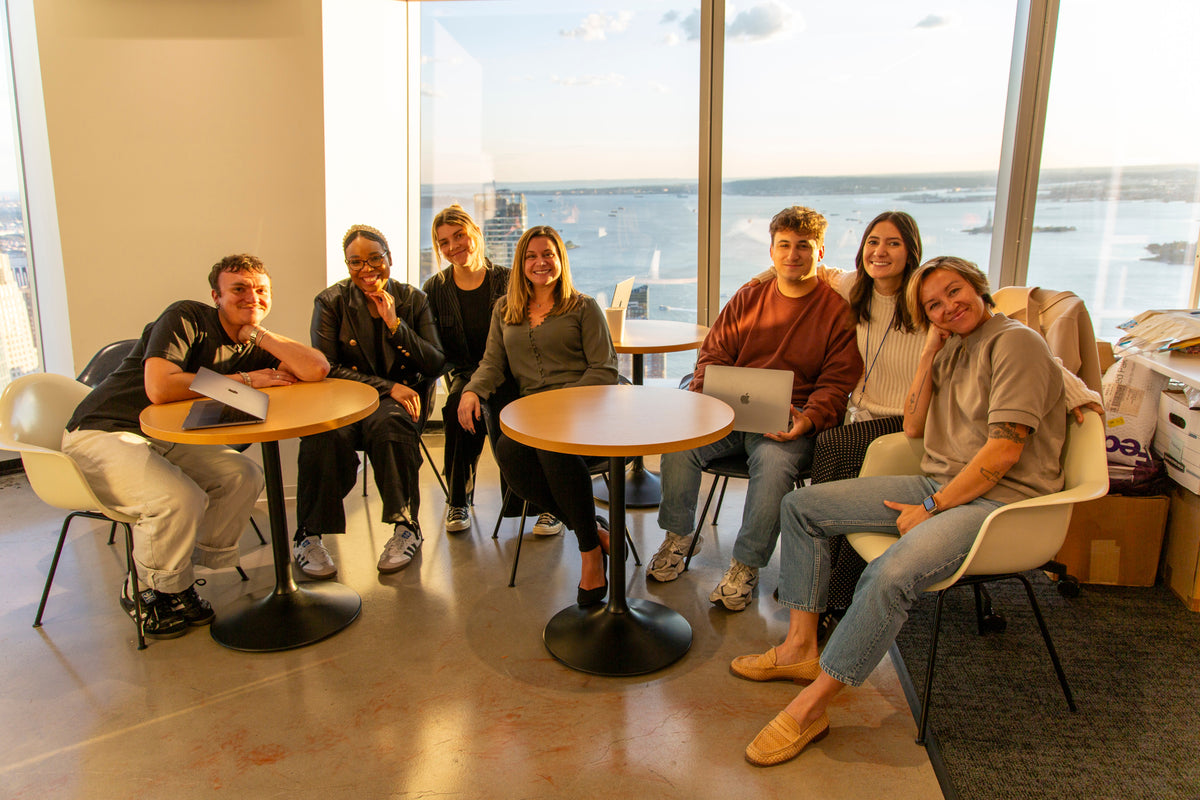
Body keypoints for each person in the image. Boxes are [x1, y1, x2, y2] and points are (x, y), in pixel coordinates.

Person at [730, 256, 1074, 767]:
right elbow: (913, 427)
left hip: (1000, 503)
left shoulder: (1015, 343)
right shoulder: (954, 344)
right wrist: (930, 351)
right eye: (934, 305)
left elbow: (1004, 452)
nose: (948, 307)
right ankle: (801, 647)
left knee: (889, 572)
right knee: (800, 507)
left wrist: (933, 506)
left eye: (955, 292)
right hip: (939, 481)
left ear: (978, 287)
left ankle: (812, 706)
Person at [753, 212, 1101, 633]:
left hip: (905, 419)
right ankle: (816, 582)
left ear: (911, 251)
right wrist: (758, 282)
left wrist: (1078, 391)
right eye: (873, 242)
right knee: (832, 445)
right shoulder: (854, 287)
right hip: (861, 413)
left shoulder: (929, 302)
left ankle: (836, 593)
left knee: (836, 448)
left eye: (893, 244)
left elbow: (1026, 350)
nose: (880, 252)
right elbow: (808, 268)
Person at [62, 255, 331, 639]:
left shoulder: (250, 340)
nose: (251, 297)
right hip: (104, 431)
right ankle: (142, 588)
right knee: (176, 498)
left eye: (260, 290)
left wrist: (259, 334)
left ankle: (176, 577)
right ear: (216, 296)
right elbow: (160, 387)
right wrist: (246, 381)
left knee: (242, 476)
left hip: (164, 438)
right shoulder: (186, 317)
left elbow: (316, 369)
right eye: (238, 289)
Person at [647, 206, 862, 611]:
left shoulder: (835, 310)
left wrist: (809, 419)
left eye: (803, 246)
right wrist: (706, 399)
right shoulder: (748, 298)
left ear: (820, 252)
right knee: (679, 445)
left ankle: (746, 564)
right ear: (771, 250)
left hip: (789, 423)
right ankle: (678, 539)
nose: (792, 255)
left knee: (775, 465)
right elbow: (711, 357)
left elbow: (837, 384)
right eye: (784, 245)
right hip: (729, 415)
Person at [457, 225, 619, 606]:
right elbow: (492, 363)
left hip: (582, 413)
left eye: (548, 254)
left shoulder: (583, 307)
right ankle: (592, 530)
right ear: (520, 264)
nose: (540, 262)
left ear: (560, 259)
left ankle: (589, 557)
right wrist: (471, 390)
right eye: (531, 256)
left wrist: (557, 403)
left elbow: (605, 369)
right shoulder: (505, 310)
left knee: (551, 450)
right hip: (532, 417)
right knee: (511, 457)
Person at [293, 224, 446, 578]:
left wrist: (396, 326)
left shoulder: (413, 299)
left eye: (375, 258)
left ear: (389, 258)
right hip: (345, 398)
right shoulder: (330, 302)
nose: (367, 269)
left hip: (401, 401)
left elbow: (435, 362)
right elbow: (325, 367)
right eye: (356, 262)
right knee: (322, 435)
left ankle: (407, 528)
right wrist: (386, 386)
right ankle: (308, 535)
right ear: (347, 265)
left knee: (390, 423)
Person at [422, 205, 563, 537]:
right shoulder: (435, 288)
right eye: (444, 242)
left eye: (460, 235)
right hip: (466, 372)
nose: (454, 246)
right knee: (458, 404)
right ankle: (458, 498)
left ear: (476, 234)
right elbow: (430, 346)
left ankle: (540, 503)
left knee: (511, 407)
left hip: (511, 371)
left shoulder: (507, 278)